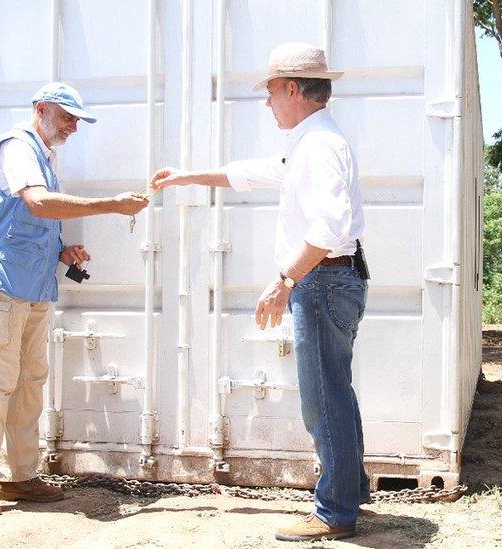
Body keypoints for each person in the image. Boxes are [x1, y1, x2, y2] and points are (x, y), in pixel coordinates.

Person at [151, 42, 368, 542]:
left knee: (322, 400)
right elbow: (250, 173)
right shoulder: (310, 142)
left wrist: (286, 279)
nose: (267, 102)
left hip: (323, 280)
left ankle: (335, 511)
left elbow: (331, 226)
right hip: (333, 279)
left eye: (270, 91)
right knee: (336, 392)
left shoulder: (317, 146)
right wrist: (186, 175)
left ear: (293, 89)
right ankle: (350, 492)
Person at [0, 82, 149, 517]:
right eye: (67, 117)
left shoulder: (42, 155)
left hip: (32, 285)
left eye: (76, 119)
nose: (73, 127)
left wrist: (62, 251)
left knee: (28, 383)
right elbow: (38, 204)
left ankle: (19, 477)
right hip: (3, 286)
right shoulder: (17, 148)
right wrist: (111, 205)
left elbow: (26, 219)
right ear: (40, 109)